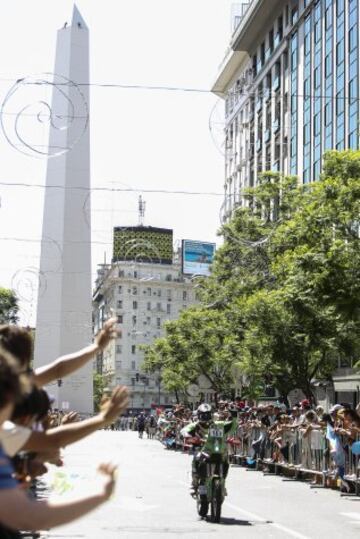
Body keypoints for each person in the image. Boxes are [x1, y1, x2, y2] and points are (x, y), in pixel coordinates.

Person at [0, 348, 119, 534]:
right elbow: (29, 517)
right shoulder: (6, 433)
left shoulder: (6, 432)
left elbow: (51, 442)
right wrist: (100, 492)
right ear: (10, 398)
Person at [181, 403, 238, 496]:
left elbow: (232, 426)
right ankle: (194, 483)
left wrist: (234, 416)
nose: (205, 417)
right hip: (201, 449)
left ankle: (222, 484)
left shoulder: (218, 425)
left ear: (211, 415)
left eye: (207, 414)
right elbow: (184, 430)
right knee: (196, 459)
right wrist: (188, 436)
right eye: (203, 415)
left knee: (225, 460)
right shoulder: (195, 425)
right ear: (199, 415)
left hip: (217, 449)